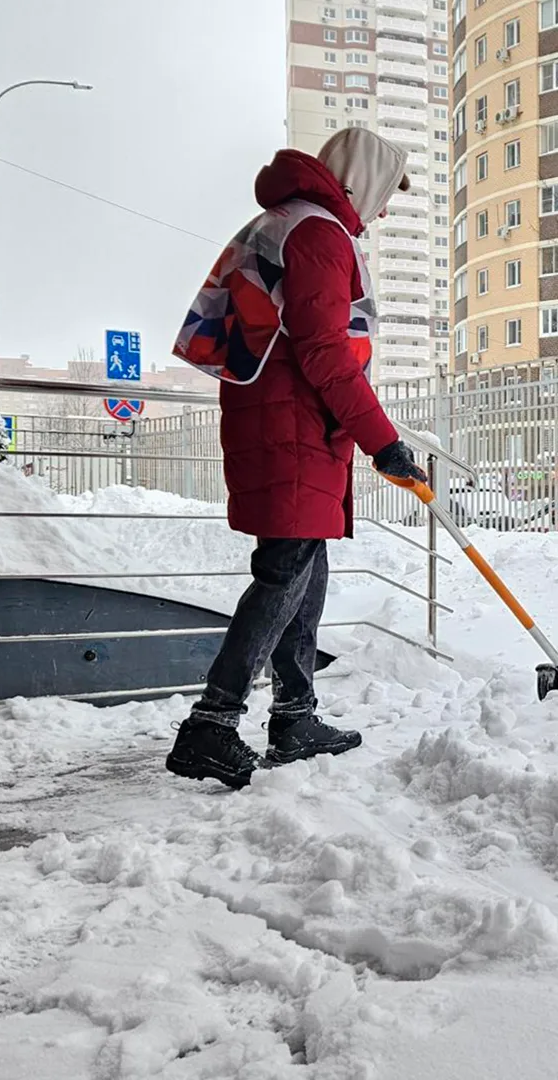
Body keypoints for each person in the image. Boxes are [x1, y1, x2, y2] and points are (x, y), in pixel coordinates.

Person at [165, 127, 429, 789]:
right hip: (294, 425)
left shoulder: (283, 222)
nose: (385, 211)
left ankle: (294, 717)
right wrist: (384, 441)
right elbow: (324, 352)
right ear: (360, 179)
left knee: (304, 570)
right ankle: (211, 725)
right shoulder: (318, 234)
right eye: (385, 194)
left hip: (285, 422)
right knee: (285, 573)